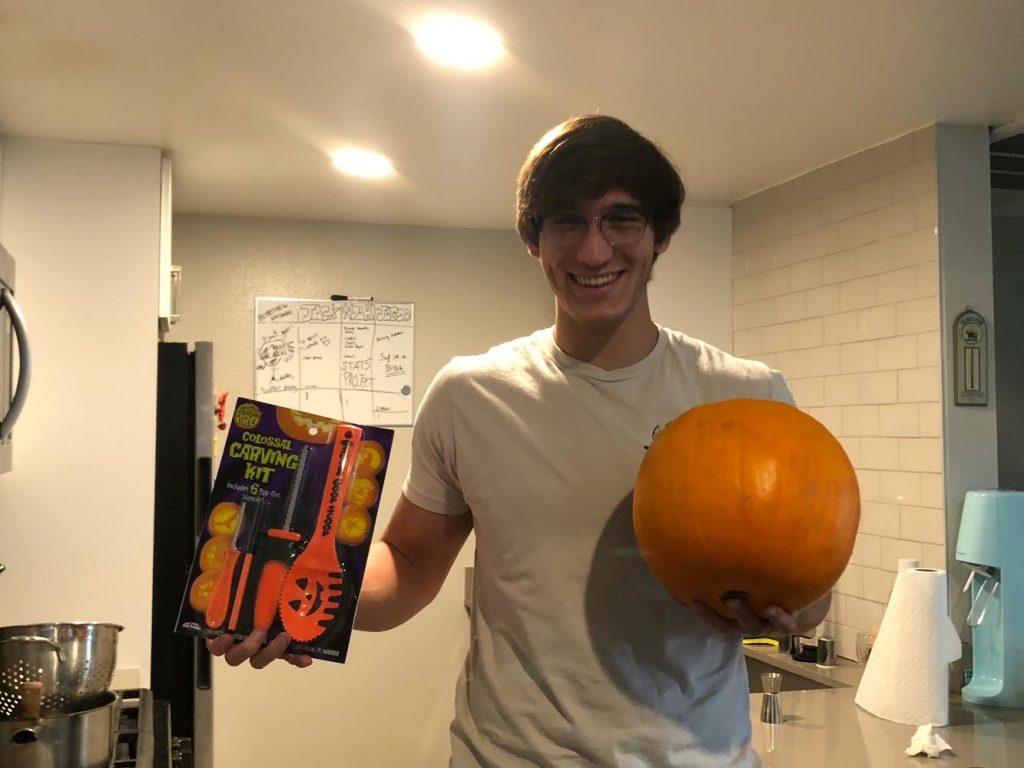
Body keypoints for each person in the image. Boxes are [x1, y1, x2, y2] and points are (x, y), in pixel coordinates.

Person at [209, 115, 831, 767]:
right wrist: (290, 600)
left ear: (660, 237)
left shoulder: (746, 395)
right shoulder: (470, 395)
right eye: (566, 221)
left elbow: (810, 589)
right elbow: (411, 561)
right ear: (534, 240)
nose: (593, 252)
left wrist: (793, 608)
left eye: (621, 219)